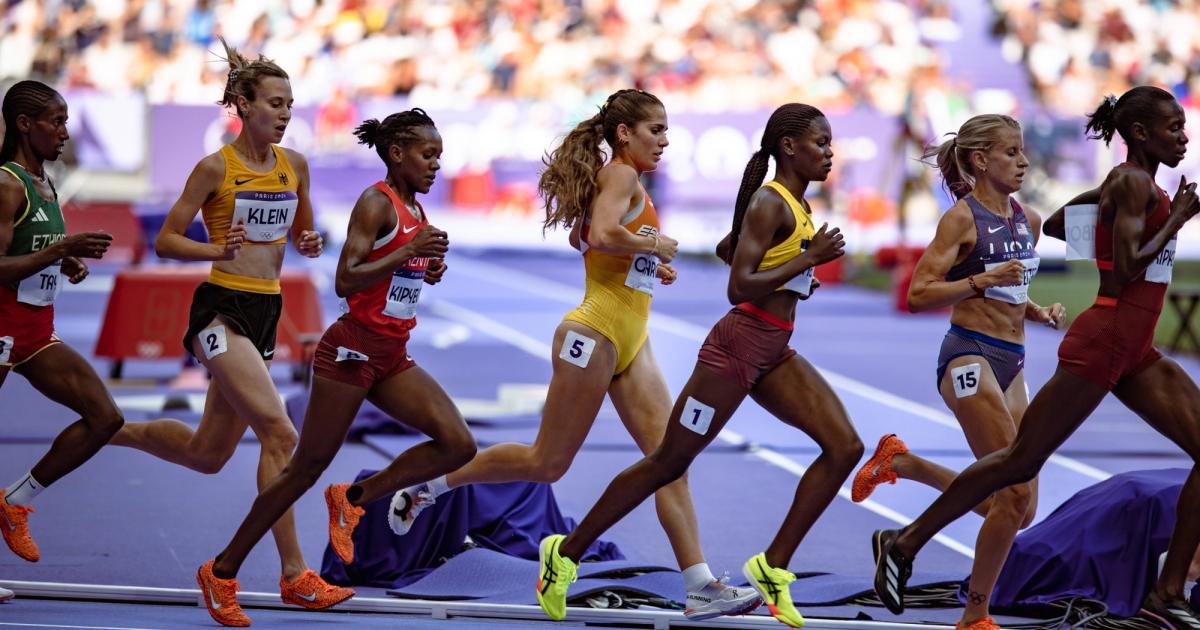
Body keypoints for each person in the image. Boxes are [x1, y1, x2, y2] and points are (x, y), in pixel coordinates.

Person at [387, 89, 760, 620]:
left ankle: (699, 585)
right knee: (546, 463)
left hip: (631, 338)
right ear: (625, 133)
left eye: (667, 130)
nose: (666, 140)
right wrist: (651, 247)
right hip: (594, 334)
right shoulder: (621, 176)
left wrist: (647, 264)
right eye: (656, 129)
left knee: (669, 463)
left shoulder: (625, 183)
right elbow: (606, 233)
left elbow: (589, 241)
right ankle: (428, 489)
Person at [870, 86, 1200, 630]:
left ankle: (1167, 592)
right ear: (1139, 135)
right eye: (1174, 128)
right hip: (1106, 339)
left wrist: (1102, 207)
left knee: (1025, 476)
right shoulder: (1132, 180)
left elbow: (1053, 227)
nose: (1184, 137)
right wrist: (1176, 220)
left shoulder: (1125, 184)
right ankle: (906, 544)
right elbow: (1119, 274)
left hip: (1134, 346)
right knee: (1020, 466)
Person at [535, 103, 863, 628]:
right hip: (735, 351)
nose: (830, 152)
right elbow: (736, 287)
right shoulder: (770, 201)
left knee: (845, 445)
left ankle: (773, 566)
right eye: (821, 143)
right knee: (667, 462)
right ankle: (566, 554)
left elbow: (728, 251)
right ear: (789, 148)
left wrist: (792, 271)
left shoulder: (796, 205)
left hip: (774, 349)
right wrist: (807, 260)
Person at [105, 40, 350, 623]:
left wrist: (309, 242)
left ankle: (107, 428)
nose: (286, 113)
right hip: (218, 310)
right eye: (274, 102)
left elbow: (303, 235)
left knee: (207, 452)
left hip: (267, 309)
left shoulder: (297, 166)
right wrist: (216, 248)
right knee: (281, 434)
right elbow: (166, 240)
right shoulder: (216, 166)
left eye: (290, 103)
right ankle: (292, 575)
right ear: (242, 103)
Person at [197, 109, 473, 626]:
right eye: (428, 155)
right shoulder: (377, 201)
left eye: (440, 156)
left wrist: (424, 269)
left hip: (392, 353)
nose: (438, 165)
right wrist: (408, 251)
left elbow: (391, 278)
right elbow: (346, 279)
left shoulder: (416, 208)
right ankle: (222, 570)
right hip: (351, 351)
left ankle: (352, 499)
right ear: (397, 153)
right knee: (304, 466)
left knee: (457, 444)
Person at [852, 114, 1065, 630]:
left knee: (1017, 505)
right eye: (1012, 153)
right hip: (968, 354)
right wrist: (980, 281)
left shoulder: (1026, 219)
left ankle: (903, 464)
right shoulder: (960, 220)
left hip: (1013, 363)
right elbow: (918, 293)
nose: (1024, 162)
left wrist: (1035, 311)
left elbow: (1010, 289)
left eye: (1022, 151)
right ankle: (975, 615)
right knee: (1010, 494)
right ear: (979, 160)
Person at [0, 80, 122, 564]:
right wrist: (59, 250)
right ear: (25, 125)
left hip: (35, 333)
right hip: (1, 329)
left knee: (105, 418)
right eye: (58, 121)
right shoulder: (7, 183)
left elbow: (28, 253)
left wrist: (62, 262)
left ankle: (14, 502)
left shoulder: (43, 180)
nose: (66, 132)